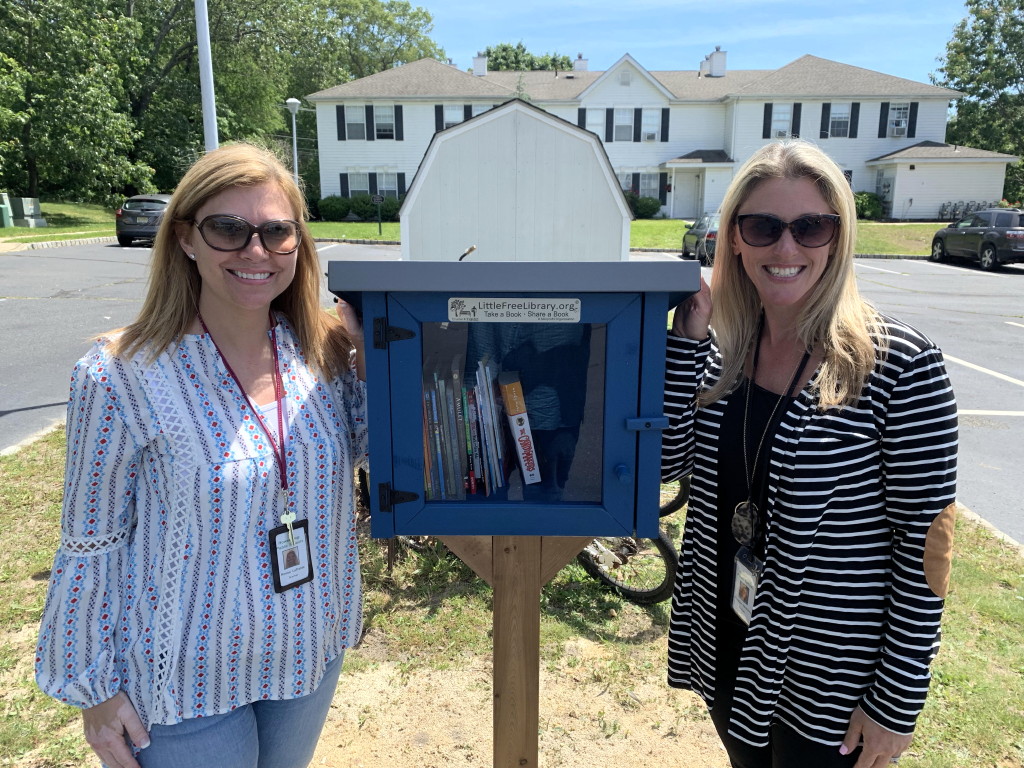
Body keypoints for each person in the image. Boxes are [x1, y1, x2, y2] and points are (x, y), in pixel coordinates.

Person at [35, 143, 368, 768]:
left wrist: (381, 367)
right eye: (228, 229)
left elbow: (378, 454)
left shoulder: (323, 354)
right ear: (186, 238)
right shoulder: (119, 377)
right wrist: (95, 692)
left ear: (299, 244)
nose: (255, 251)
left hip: (307, 650)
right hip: (185, 676)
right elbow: (91, 541)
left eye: (276, 231)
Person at [662, 140, 957, 768]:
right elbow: (663, 467)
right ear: (734, 239)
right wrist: (685, 343)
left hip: (827, 683)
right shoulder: (725, 353)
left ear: (838, 236)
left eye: (811, 227)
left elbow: (925, 547)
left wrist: (895, 703)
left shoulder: (898, 365)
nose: (786, 249)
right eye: (763, 227)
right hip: (731, 643)